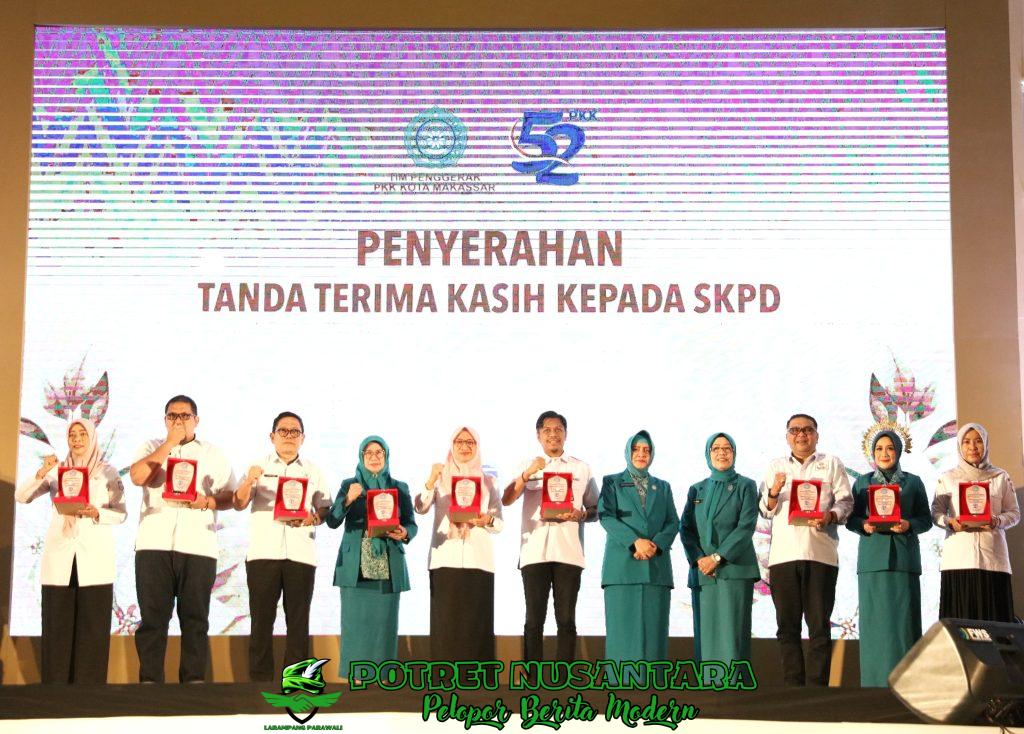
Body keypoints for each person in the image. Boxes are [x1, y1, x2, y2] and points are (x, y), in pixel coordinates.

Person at [128, 394, 235, 683]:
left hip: (198, 546)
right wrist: (169, 444)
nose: (178, 421)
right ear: (165, 420)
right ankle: (149, 683)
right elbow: (137, 477)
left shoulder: (212, 453)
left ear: (196, 420)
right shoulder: (151, 447)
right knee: (152, 620)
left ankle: (194, 684)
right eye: (172, 416)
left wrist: (206, 502)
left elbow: (231, 496)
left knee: (195, 621)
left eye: (184, 416)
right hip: (153, 544)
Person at [16, 418, 126, 683]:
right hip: (60, 557)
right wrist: (43, 471)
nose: (76, 439)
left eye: (82, 434)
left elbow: (121, 513)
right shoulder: (58, 471)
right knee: (57, 627)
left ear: (92, 438)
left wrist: (97, 513)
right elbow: (22, 496)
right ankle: (55, 692)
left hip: (94, 560)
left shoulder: (107, 472)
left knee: (93, 629)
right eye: (72, 435)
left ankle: (88, 694)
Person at [233, 411, 330, 681]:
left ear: (303, 438)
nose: (289, 436)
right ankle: (259, 683)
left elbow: (325, 509)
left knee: (298, 623)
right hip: (263, 554)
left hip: (301, 555)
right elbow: (239, 503)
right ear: (272, 436)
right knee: (261, 622)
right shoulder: (258, 467)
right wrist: (249, 481)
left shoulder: (313, 470)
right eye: (283, 431)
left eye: (294, 432)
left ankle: (296, 684)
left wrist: (312, 518)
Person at [759, 413, 852, 686]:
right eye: (795, 430)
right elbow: (765, 510)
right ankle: (793, 689)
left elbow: (846, 502)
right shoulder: (776, 466)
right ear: (787, 436)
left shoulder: (831, 464)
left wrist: (830, 516)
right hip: (783, 558)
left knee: (819, 627)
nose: (801, 435)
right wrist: (774, 491)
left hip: (820, 555)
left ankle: (817, 690)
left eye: (807, 430)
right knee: (787, 627)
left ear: (816, 435)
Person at [503, 410, 599, 663]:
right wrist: (527, 474)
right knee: (534, 620)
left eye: (558, 429)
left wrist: (581, 514)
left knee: (566, 620)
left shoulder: (581, 468)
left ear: (566, 434)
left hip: (569, 553)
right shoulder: (527, 466)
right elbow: (507, 499)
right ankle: (532, 677)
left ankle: (563, 677)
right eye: (547, 430)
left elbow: (596, 510)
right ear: (538, 435)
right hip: (534, 552)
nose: (553, 434)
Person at [846, 429, 932, 687]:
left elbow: (926, 520)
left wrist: (908, 525)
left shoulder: (913, 482)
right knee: (875, 626)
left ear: (898, 450)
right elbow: (851, 519)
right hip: (872, 562)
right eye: (879, 449)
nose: (884, 453)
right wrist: (864, 525)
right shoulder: (862, 483)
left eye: (890, 448)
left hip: (904, 561)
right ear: (872, 453)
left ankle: (908, 685)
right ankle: (874, 685)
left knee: (904, 625)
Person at [326, 436, 416, 681]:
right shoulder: (349, 485)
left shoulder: (399, 487)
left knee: (384, 626)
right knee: (355, 625)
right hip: (355, 566)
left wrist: (404, 532)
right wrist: (348, 499)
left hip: (388, 563)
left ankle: (383, 678)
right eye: (369, 453)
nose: (374, 457)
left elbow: (411, 523)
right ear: (361, 456)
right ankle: (356, 678)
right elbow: (332, 521)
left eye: (379, 453)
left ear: (386, 456)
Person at [416, 427, 503, 663]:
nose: (464, 447)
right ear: (452, 445)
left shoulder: (489, 481)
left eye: (470, 442)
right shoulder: (440, 478)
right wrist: (430, 480)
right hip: (445, 558)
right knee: (446, 624)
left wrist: (487, 520)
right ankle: (445, 676)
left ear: (477, 446)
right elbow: (421, 508)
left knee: (477, 624)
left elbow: (499, 524)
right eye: (459, 442)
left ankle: (477, 677)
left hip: (479, 560)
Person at [598, 430, 678, 679]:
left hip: (656, 567)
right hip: (622, 568)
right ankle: (621, 686)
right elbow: (606, 516)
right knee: (623, 630)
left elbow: (673, 522)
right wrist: (635, 543)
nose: (641, 454)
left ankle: (654, 687)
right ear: (628, 452)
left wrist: (655, 545)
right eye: (636, 449)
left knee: (654, 632)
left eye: (646, 450)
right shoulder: (611, 482)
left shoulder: (662, 487)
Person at [680, 432, 759, 666]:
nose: (721, 453)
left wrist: (716, 557)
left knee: (732, 638)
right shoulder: (697, 489)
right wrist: (699, 559)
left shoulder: (746, 485)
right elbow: (686, 528)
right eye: (716, 448)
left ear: (734, 453)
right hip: (703, 573)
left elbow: (746, 527)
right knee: (706, 638)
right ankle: (707, 688)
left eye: (727, 448)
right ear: (708, 453)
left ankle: (734, 688)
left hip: (734, 570)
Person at [931, 422, 1019, 622]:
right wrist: (950, 522)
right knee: (961, 625)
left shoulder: (1000, 477)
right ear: (959, 446)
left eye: (978, 441)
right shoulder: (948, 478)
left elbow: (1014, 513)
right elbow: (936, 512)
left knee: (996, 625)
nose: (972, 447)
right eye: (966, 442)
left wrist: (997, 520)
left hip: (993, 561)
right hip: (958, 561)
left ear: (985, 444)